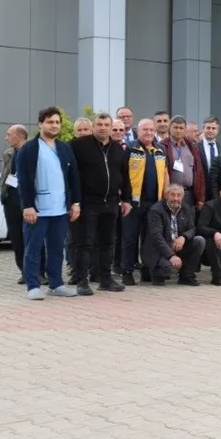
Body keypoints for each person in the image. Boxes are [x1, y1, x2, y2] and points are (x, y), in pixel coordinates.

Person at [15, 107, 82, 299]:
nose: (54, 125)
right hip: (37, 209)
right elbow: (23, 180)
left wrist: (75, 203)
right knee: (33, 249)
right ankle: (33, 286)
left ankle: (56, 284)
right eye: (50, 122)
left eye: (57, 122)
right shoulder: (29, 148)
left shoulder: (64, 148)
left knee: (56, 248)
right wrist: (27, 206)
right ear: (40, 124)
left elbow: (74, 176)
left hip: (60, 209)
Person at [69, 112, 130, 294]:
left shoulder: (118, 149)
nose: (103, 128)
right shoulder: (78, 146)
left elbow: (124, 175)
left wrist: (126, 199)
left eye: (106, 125)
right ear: (93, 126)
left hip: (111, 203)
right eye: (99, 124)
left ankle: (106, 279)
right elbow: (70, 174)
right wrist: (74, 201)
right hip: (88, 201)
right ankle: (82, 281)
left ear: (111, 127)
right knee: (85, 243)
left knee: (108, 243)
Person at [120, 118, 169, 285]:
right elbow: (122, 174)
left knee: (150, 239)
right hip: (133, 203)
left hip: (155, 203)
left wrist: (165, 197)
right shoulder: (129, 148)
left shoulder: (161, 149)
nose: (148, 133)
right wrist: (124, 199)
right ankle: (127, 272)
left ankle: (147, 269)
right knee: (129, 238)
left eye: (151, 130)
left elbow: (165, 174)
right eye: (145, 130)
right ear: (138, 131)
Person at [143, 183, 204, 286]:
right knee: (168, 268)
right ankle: (156, 274)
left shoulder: (186, 208)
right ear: (166, 196)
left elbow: (192, 228)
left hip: (177, 245)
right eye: (172, 195)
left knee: (199, 241)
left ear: (183, 197)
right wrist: (171, 255)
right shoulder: (156, 210)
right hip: (159, 249)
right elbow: (157, 237)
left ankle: (186, 277)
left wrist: (183, 237)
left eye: (179, 195)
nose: (176, 198)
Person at [0, 124, 30, 283]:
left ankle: (39, 272)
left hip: (28, 203)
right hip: (11, 201)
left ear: (19, 135)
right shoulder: (9, 153)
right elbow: (5, 175)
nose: (6, 138)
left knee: (32, 238)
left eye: (8, 134)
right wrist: (3, 194)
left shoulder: (33, 151)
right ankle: (24, 271)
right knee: (17, 239)